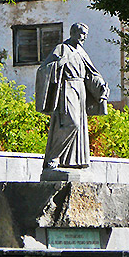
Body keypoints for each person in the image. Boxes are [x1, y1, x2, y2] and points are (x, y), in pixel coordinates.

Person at [35, 23, 110, 169]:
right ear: (73, 33)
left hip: (80, 89)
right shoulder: (62, 48)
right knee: (71, 123)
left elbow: (91, 74)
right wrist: (58, 65)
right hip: (67, 88)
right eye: (82, 34)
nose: (84, 37)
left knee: (79, 126)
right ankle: (53, 157)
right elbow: (43, 69)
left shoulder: (81, 52)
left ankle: (73, 162)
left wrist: (100, 86)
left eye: (86, 35)